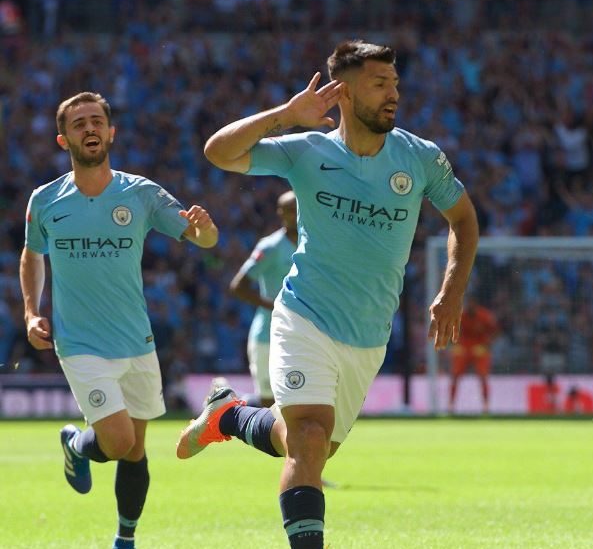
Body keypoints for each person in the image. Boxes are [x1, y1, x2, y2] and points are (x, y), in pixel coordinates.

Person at [176, 40, 479, 549]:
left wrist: (452, 290)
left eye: (395, 84)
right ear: (345, 92)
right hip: (304, 316)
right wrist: (284, 115)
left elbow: (464, 221)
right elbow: (218, 152)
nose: (393, 94)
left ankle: (228, 415)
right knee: (308, 441)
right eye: (379, 84)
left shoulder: (420, 157)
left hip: (368, 334)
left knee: (310, 445)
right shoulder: (308, 150)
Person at [20, 92, 219, 549]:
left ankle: (124, 540)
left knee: (134, 449)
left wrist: (205, 229)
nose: (89, 128)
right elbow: (32, 254)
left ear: (111, 133)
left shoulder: (141, 194)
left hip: (136, 340)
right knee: (115, 441)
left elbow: (202, 239)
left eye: (96, 121)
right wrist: (31, 311)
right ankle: (78, 445)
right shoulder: (45, 200)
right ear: (63, 139)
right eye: (79, 124)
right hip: (80, 344)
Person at [227, 190, 299, 407]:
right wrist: (278, 306)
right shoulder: (271, 246)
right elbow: (239, 287)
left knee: (301, 402)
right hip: (269, 335)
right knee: (269, 402)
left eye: (299, 209)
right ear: (280, 213)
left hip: (303, 335)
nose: (296, 215)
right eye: (290, 210)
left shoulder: (314, 245)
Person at [447, 294, 499, 414]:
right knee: (455, 375)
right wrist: (454, 345)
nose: (470, 306)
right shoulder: (460, 315)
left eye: (472, 303)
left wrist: (486, 345)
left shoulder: (484, 316)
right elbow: (450, 331)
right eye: (468, 303)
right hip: (463, 347)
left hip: (479, 347)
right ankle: (451, 405)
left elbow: (495, 332)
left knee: (483, 376)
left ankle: (486, 406)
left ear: (476, 304)